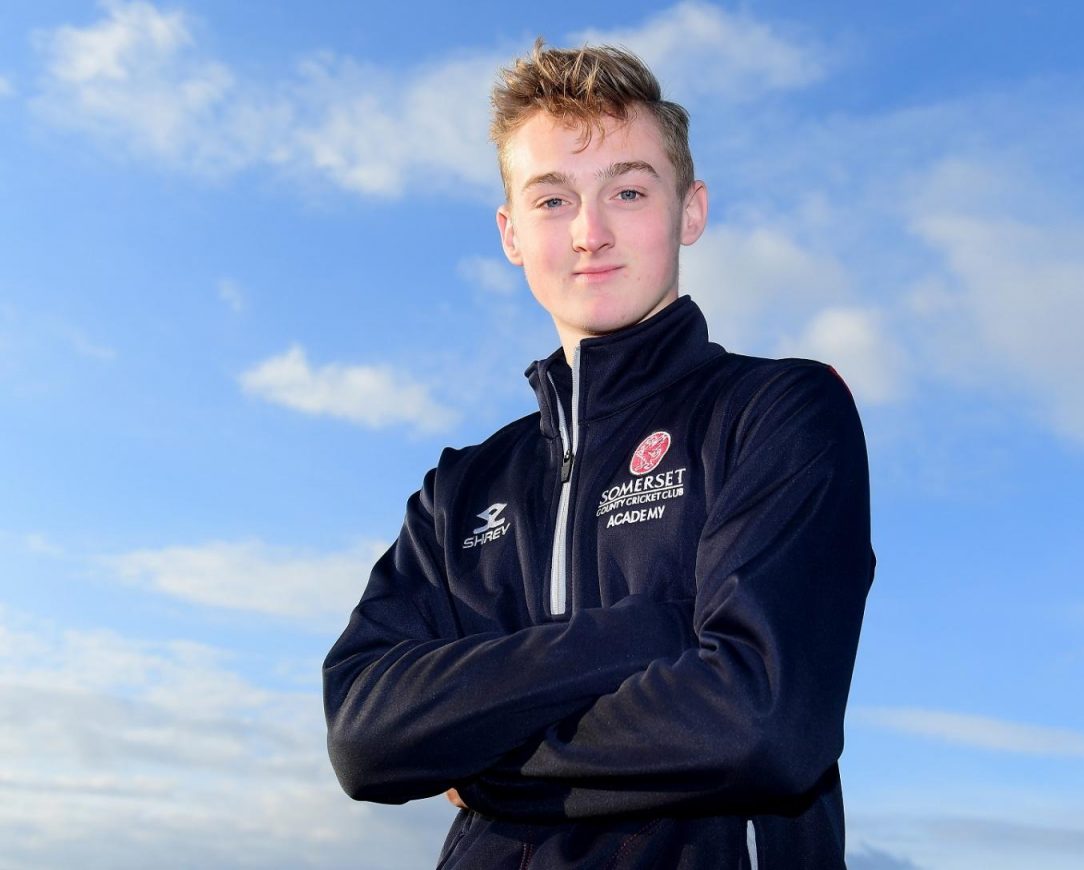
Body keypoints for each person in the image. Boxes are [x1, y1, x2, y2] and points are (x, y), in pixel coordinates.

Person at [323, 39, 874, 869]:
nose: (591, 232)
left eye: (628, 190)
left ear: (690, 211)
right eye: (552, 199)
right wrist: (645, 633)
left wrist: (479, 760)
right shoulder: (460, 490)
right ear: (511, 233)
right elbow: (364, 736)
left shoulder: (778, 411)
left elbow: (763, 724)